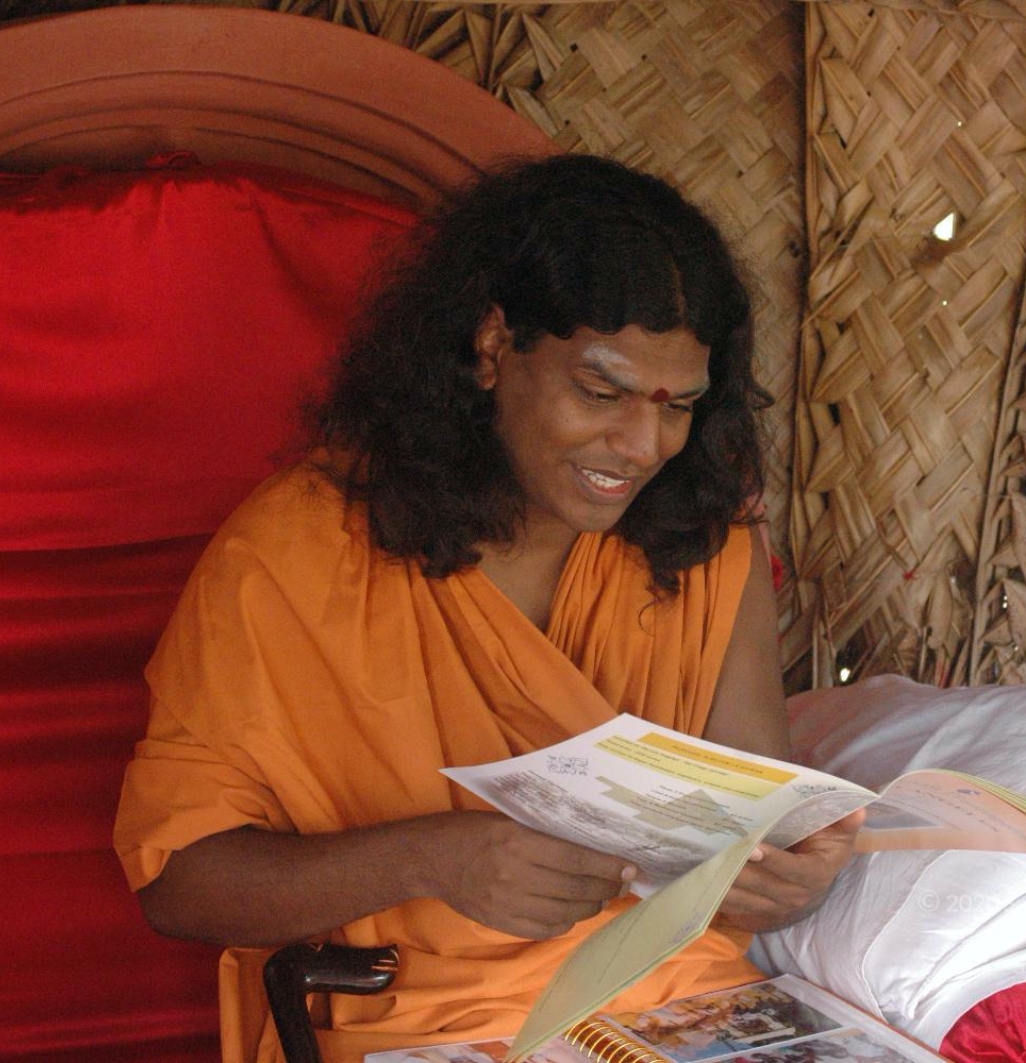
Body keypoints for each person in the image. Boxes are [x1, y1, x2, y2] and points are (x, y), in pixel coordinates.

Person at [112, 154, 861, 1063]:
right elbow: (180, 884)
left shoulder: (705, 541)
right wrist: (431, 859)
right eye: (601, 392)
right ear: (493, 345)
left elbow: (753, 837)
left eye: (680, 408)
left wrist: (789, 884)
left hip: (680, 1009)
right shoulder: (295, 553)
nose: (641, 444)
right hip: (421, 1023)